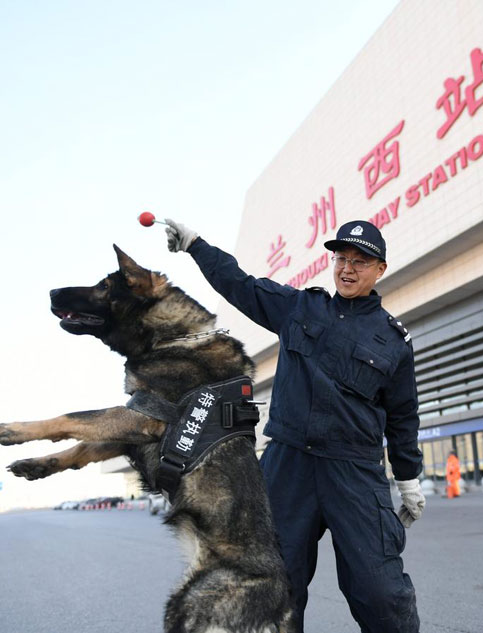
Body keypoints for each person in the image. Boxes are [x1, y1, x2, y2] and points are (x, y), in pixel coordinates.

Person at [164, 218, 424, 633]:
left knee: (380, 593)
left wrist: (409, 478)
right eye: (341, 258)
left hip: (353, 472)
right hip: (288, 467)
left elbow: (403, 415)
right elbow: (241, 285)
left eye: (360, 261)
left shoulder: (393, 341)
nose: (348, 268)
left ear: (380, 270)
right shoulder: (300, 308)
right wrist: (196, 245)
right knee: (276, 587)